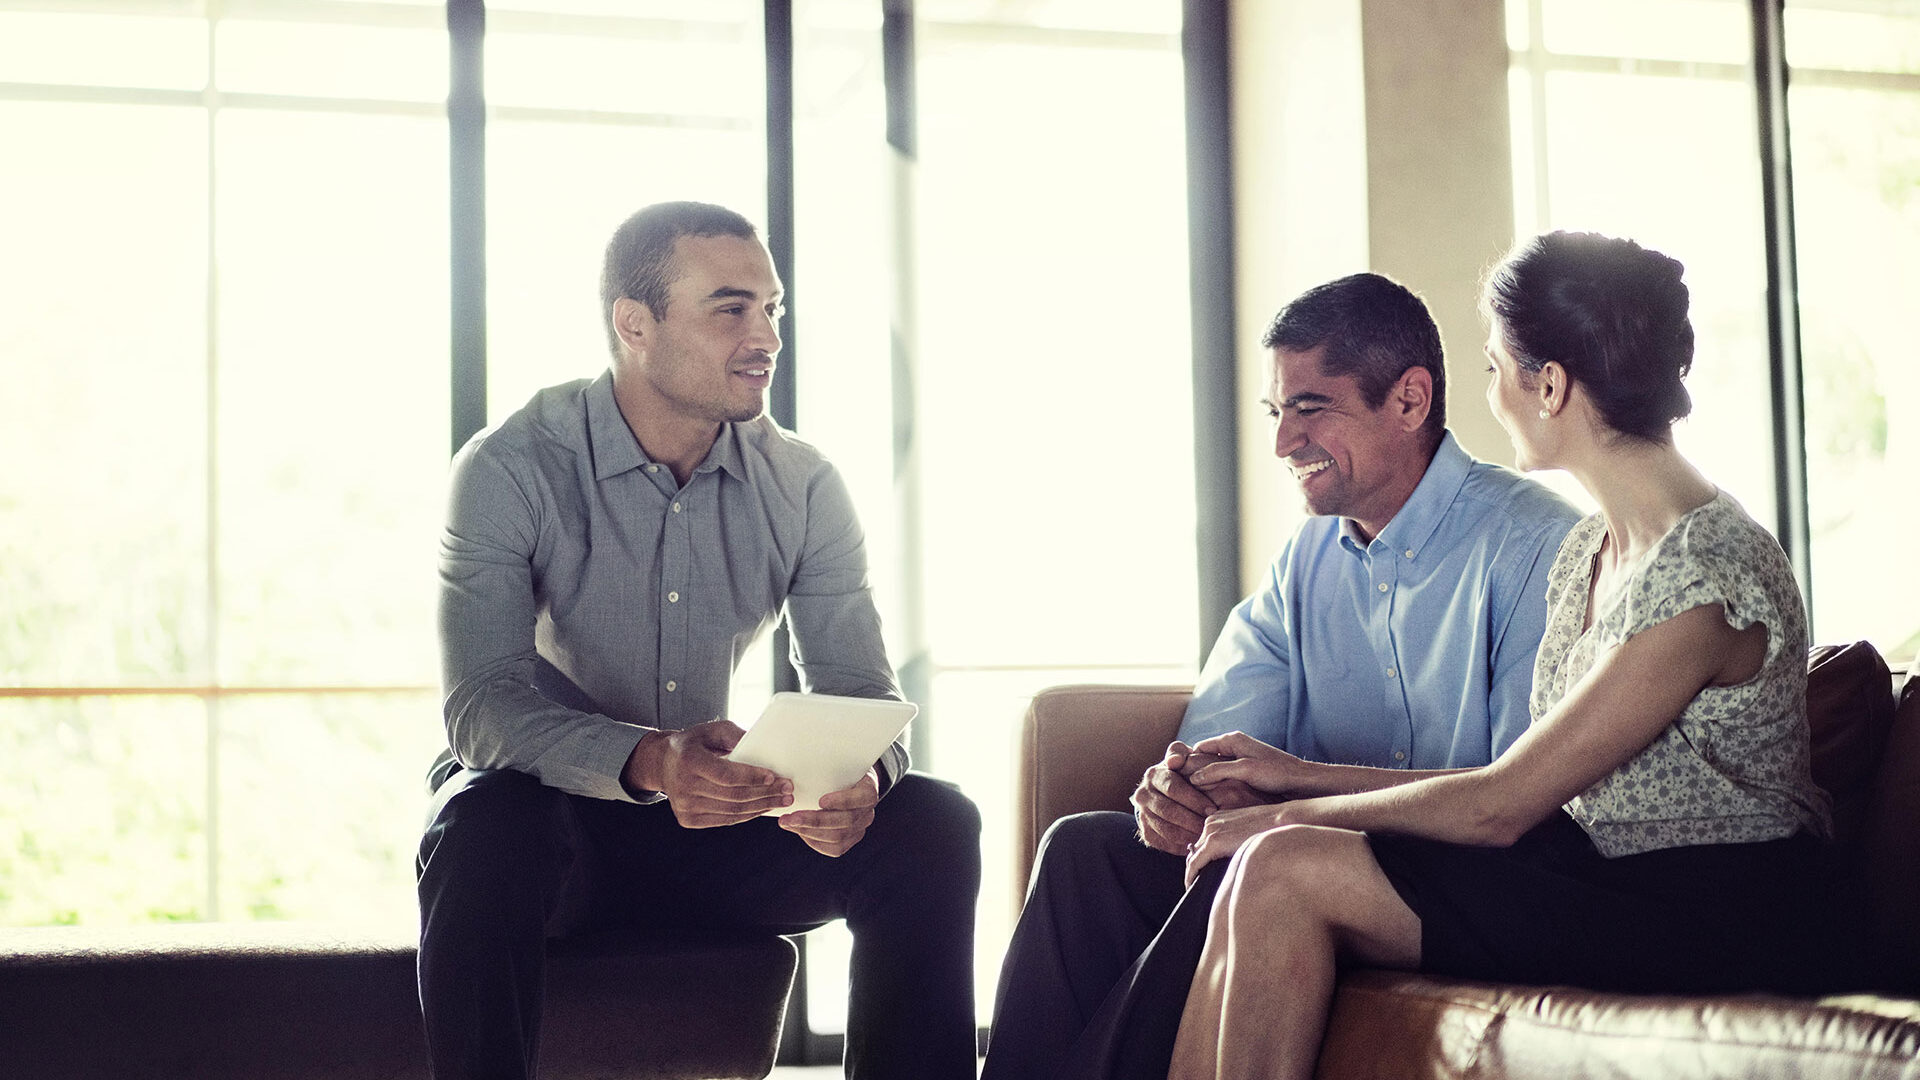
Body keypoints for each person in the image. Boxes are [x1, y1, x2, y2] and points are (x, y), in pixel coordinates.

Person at [1168, 231, 1837, 1080]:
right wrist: (1288, 779)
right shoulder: (1590, 552)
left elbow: (1501, 803)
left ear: (1549, 386)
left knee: (1279, 864)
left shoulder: (1707, 574)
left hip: (1711, 911)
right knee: (1268, 865)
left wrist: (1283, 809)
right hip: (1591, 875)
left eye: (1493, 367)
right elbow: (1514, 790)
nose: (1487, 396)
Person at [416, 201, 981, 1080]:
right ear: (634, 324)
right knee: (485, 820)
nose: (767, 337)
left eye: (773, 308)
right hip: (555, 837)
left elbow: (864, 696)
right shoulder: (509, 466)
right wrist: (652, 760)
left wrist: (861, 780)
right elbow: (481, 710)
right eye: (731, 309)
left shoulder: (803, 484)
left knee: (933, 822)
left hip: (712, 831)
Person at [980, 273, 1582, 1080]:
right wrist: (1181, 793)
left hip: (1445, 882)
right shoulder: (1306, 559)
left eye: (1310, 408)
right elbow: (1221, 746)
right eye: (1276, 412)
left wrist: (1278, 806)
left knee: (1249, 864)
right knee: (1084, 852)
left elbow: (1518, 801)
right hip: (1299, 850)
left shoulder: (1539, 547)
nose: (1282, 443)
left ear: (1409, 400)